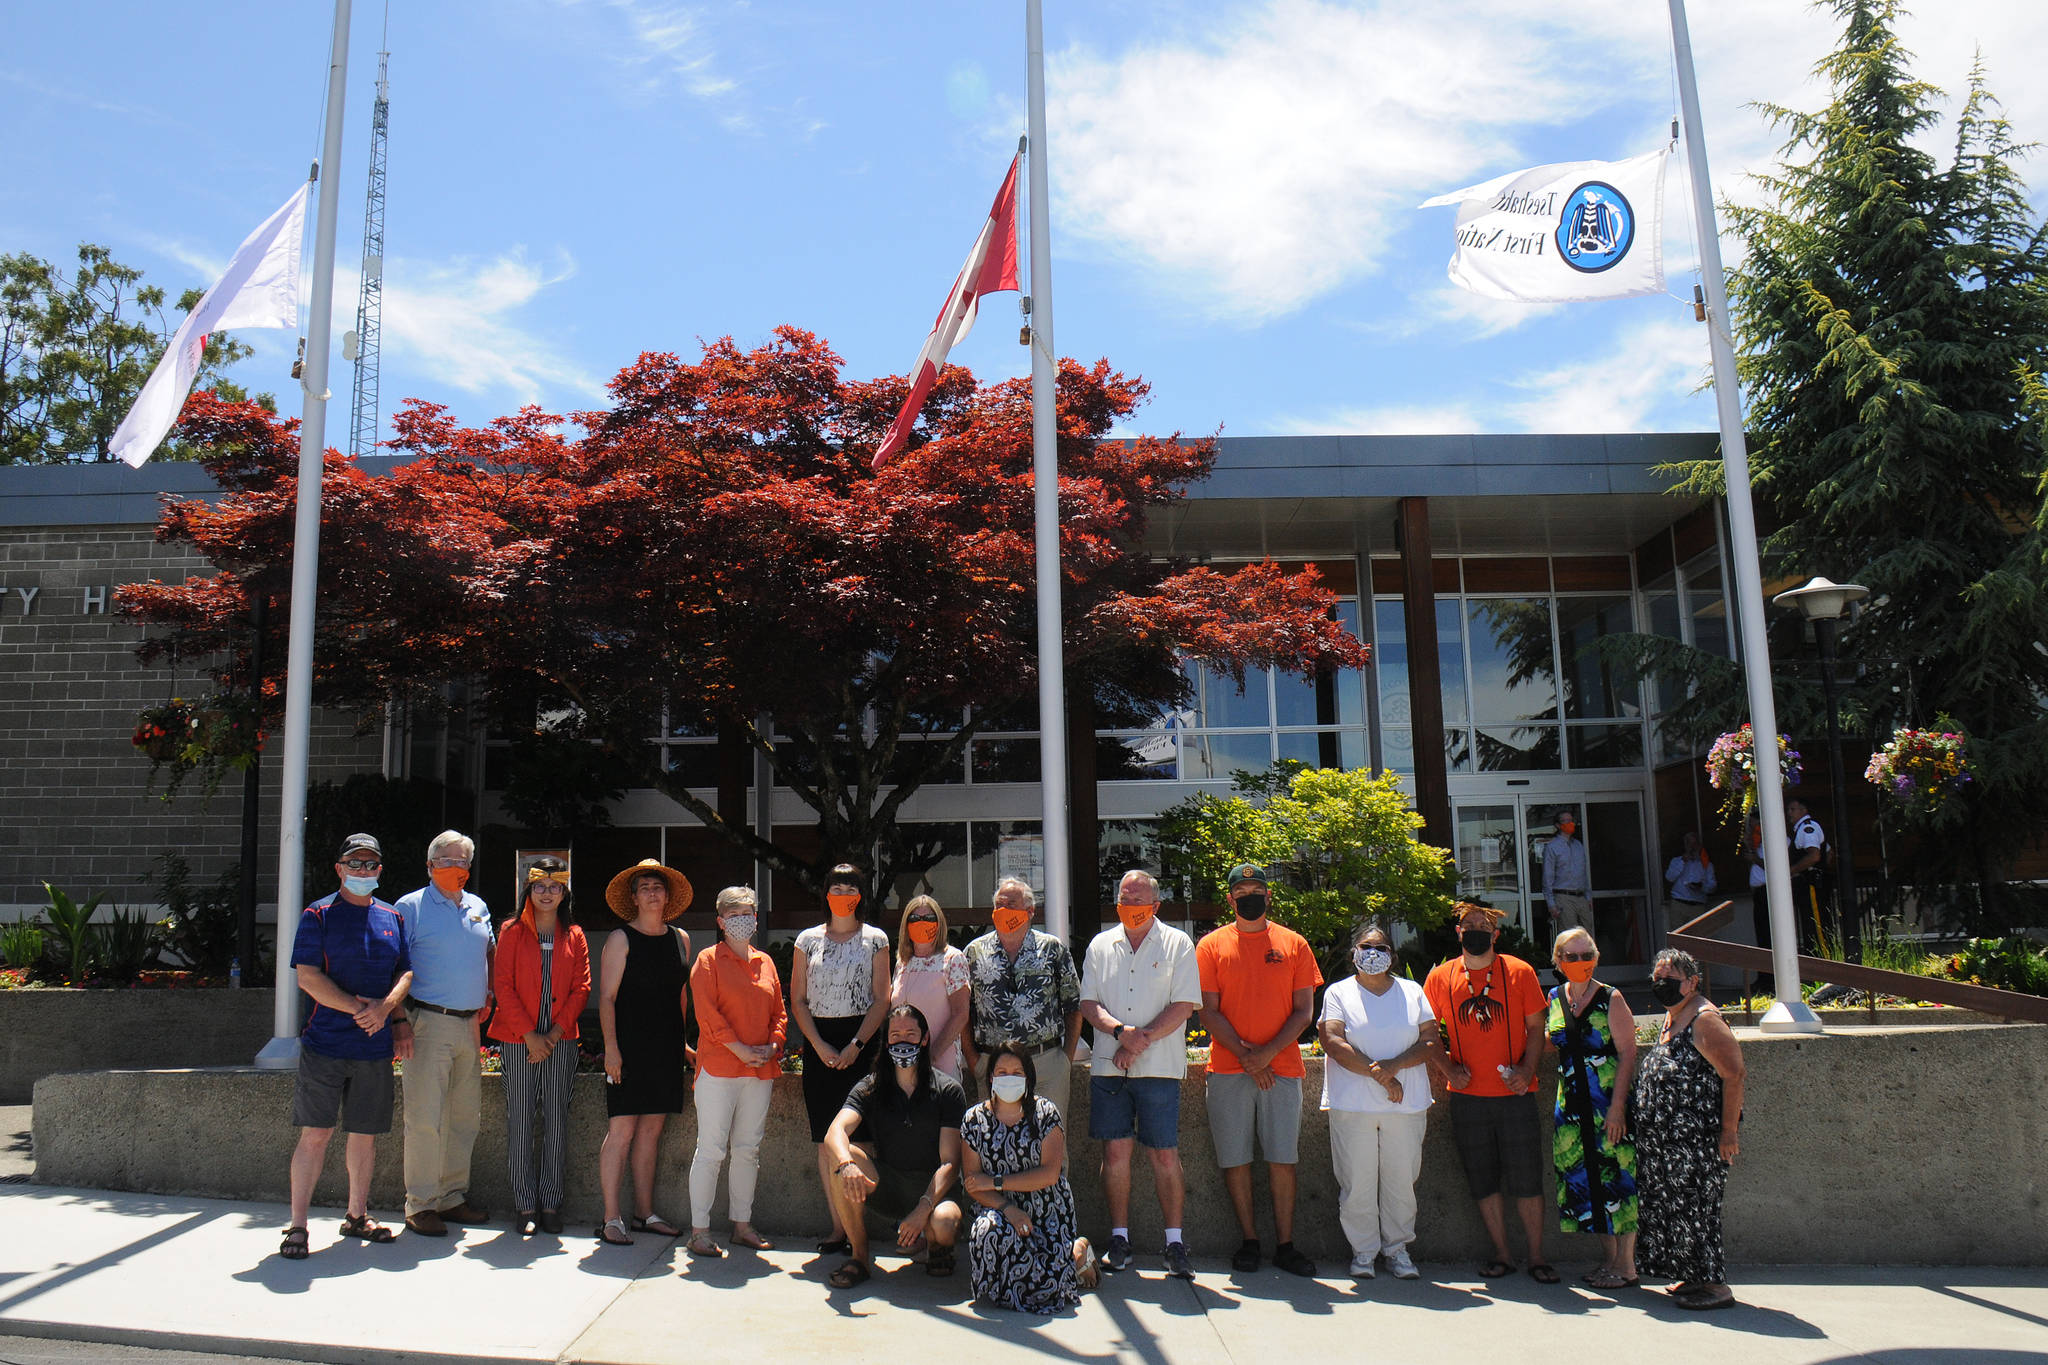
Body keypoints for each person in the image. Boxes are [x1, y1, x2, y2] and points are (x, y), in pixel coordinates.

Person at [279, 834, 413, 1258]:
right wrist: (362, 1011)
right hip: (326, 1046)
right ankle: (297, 1226)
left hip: (373, 1051)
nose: (362, 871)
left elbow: (405, 973)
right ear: (339, 868)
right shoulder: (317, 915)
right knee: (316, 1134)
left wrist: (389, 1009)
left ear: (379, 870)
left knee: (364, 1136)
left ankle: (358, 1215)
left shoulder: (393, 916)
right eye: (354, 863)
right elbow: (308, 977)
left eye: (370, 864)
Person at [1195, 863, 1322, 1277]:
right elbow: (1208, 1013)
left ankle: (1286, 1245)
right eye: (1242, 890)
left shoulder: (1294, 943)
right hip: (1229, 1069)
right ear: (1230, 899)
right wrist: (1248, 1057)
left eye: (1257, 889)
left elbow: (1304, 1012)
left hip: (1282, 1068)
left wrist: (1265, 1055)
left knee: (1283, 1159)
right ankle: (1249, 1240)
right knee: (1235, 1159)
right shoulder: (1211, 946)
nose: (1250, 895)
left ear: (1269, 896)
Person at [1079, 869, 1202, 1279]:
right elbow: (1088, 1004)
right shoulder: (1100, 944)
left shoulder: (1178, 943)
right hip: (1109, 1068)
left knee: (1164, 1153)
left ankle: (1174, 1242)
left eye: (1139, 899)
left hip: (1160, 1068)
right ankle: (1119, 1238)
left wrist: (1138, 1041)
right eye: (1124, 899)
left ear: (1156, 904)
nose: (1131, 906)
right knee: (1114, 1154)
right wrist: (1120, 1034)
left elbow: (1184, 1005)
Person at [1424, 901, 1554, 1283]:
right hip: (1467, 1098)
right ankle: (1502, 1254)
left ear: (1496, 935)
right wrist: (1448, 1068)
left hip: (1516, 1094)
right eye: (1469, 925)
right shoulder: (1442, 977)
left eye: (1484, 925)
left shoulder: (1519, 972)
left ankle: (1536, 1256)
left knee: (1528, 1178)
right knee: (1482, 1179)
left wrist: (1526, 1070)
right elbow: (1427, 1032)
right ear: (1458, 933)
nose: (1476, 929)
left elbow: (1536, 1028)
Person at [1317, 918, 1442, 1281]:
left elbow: (1430, 1039)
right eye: (1366, 947)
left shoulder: (1412, 991)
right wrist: (1378, 1073)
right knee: (1356, 1181)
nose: (1373, 953)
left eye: (1381, 948)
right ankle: (1363, 1252)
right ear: (1354, 953)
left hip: (1406, 1105)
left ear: (1393, 955)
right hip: (1352, 1105)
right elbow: (1333, 1041)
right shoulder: (1338, 993)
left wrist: (1393, 1067)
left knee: (1401, 1180)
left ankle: (1398, 1249)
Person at [820, 1004, 967, 1290]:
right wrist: (847, 1164)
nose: (903, 1041)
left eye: (911, 1034)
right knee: (840, 1156)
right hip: (888, 1184)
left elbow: (951, 1163)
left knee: (944, 1225)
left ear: (925, 1038)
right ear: (885, 1041)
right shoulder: (870, 1087)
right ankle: (860, 1258)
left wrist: (923, 1209)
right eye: (895, 1034)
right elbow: (835, 1132)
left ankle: (939, 1248)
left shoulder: (948, 1090)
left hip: (934, 1191)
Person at [1633, 948, 1746, 1312]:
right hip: (1668, 1145)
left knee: (1699, 1210)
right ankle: (1694, 1276)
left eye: (1670, 979)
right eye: (1657, 979)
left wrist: (1728, 1132)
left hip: (1697, 1141)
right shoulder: (1673, 1018)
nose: (1661, 985)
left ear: (1692, 981)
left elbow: (1734, 1075)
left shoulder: (1704, 1019)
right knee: (1679, 1210)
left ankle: (1715, 1286)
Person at [395, 829, 495, 1237]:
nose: (456, 868)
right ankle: (420, 1205)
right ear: (431, 864)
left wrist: (487, 995)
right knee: (424, 1118)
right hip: (427, 1023)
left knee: (463, 1117)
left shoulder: (477, 906)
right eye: (448, 860)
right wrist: (400, 1020)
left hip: (470, 1024)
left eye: (463, 862)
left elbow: (487, 952)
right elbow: (395, 965)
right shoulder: (411, 906)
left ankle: (452, 1197)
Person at [487, 856, 591, 1237]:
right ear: (528, 890)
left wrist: (555, 1032)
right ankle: (524, 1205)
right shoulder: (512, 930)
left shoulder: (575, 935)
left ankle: (551, 1202)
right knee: (520, 1119)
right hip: (518, 1040)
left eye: (555, 886)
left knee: (556, 1122)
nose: (547, 893)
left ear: (565, 891)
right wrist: (530, 1035)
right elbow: (504, 985)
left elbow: (582, 988)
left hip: (561, 1041)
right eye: (540, 886)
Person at [792, 863, 892, 1255]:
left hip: (862, 1044)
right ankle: (838, 1228)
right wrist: (817, 1045)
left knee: (862, 1137)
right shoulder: (807, 940)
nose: (843, 894)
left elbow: (882, 998)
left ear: (861, 896)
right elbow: (798, 999)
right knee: (825, 1140)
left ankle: (859, 1231)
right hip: (820, 1046)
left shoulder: (876, 939)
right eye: (836, 887)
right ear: (826, 894)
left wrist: (856, 1044)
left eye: (851, 888)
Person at [595, 858, 694, 1245]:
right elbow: (606, 998)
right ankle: (611, 1218)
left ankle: (644, 1213)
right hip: (628, 1046)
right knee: (621, 1130)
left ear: (667, 896)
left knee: (652, 1132)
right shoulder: (621, 938)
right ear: (634, 898)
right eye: (645, 887)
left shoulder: (681, 938)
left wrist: (683, 1042)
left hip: (666, 1046)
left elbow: (680, 994)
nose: (653, 893)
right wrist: (611, 1049)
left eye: (658, 886)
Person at [959, 1041, 1096, 1314]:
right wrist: (1008, 1208)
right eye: (1001, 1072)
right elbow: (974, 1183)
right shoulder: (974, 1120)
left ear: (1028, 1078)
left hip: (1046, 1208)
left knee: (1046, 1288)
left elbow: (1049, 1174)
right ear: (990, 1077)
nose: (1009, 1078)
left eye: (1017, 1073)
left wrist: (996, 1181)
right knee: (988, 1234)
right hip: (997, 1207)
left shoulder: (1045, 1114)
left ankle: (1077, 1252)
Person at [686, 885, 786, 1258]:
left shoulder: (767, 962)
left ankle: (741, 1226)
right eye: (734, 914)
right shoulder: (708, 961)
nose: (742, 920)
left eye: (748, 912)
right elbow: (707, 1015)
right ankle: (699, 1231)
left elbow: (780, 1011)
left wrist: (774, 1045)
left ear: (756, 917)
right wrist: (740, 1049)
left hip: (758, 1070)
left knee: (748, 1149)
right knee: (710, 1150)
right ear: (720, 921)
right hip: (719, 1069)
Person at [1544, 926, 1638, 1291]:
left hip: (1607, 1105)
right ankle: (1609, 1260)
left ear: (1596, 958)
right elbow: (1552, 1041)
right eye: (1572, 957)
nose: (1581, 962)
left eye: (1587, 956)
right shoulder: (1555, 997)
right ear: (1559, 961)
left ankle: (1626, 1265)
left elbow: (1628, 1051)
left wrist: (1617, 1107)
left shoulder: (1611, 998)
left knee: (1618, 1180)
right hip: (1571, 1108)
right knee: (1587, 1185)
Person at [964, 877, 1083, 1117]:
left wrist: (1065, 1059)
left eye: (1011, 904)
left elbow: (1073, 1004)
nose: (1004, 910)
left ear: (1030, 911)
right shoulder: (974, 952)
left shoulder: (1053, 949)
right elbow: (962, 1010)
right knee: (995, 1142)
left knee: (1050, 1143)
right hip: (993, 1064)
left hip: (1045, 1063)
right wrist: (974, 1060)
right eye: (999, 905)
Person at [891, 895, 970, 1082]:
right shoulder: (902, 962)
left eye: (928, 918)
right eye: (915, 919)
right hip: (903, 1066)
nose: (922, 923)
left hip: (940, 1066)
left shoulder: (952, 959)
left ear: (939, 923)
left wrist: (931, 1057)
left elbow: (960, 1014)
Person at [1542, 810, 1592, 941]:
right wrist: (1551, 904)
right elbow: (1548, 877)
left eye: (1571, 820)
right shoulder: (1552, 847)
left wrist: (1588, 896)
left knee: (1587, 936)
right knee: (1569, 937)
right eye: (1566, 821)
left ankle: (1588, 961)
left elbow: (1583, 873)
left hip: (1581, 896)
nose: (1570, 823)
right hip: (1564, 896)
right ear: (1558, 825)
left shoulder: (1578, 846)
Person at [1787, 799, 1827, 951]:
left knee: (1815, 927)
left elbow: (1814, 856)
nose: (1788, 813)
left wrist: (1792, 870)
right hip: (1806, 884)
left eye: (1792, 809)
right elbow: (1828, 853)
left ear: (1803, 810)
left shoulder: (1807, 828)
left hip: (1810, 883)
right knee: (1809, 925)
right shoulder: (1801, 829)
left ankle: (1822, 966)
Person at [1664, 831, 1717, 915]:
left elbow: (1712, 887)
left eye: (1695, 844)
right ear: (1685, 846)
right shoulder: (1676, 861)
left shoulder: (1707, 865)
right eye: (1689, 844)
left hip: (1697, 906)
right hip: (1679, 904)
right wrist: (1683, 862)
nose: (1692, 848)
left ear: (1699, 846)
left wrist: (1701, 887)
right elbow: (1669, 878)